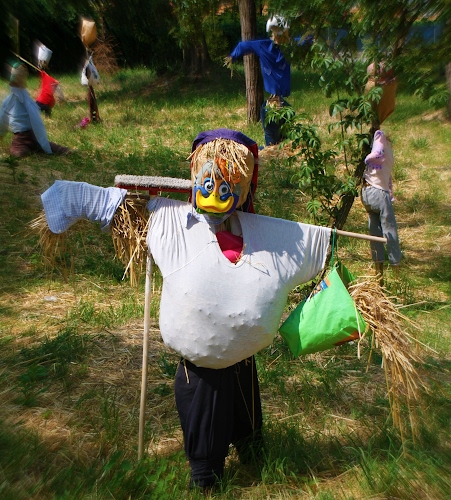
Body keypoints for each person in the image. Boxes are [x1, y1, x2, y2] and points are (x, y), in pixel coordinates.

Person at [39, 129, 332, 490]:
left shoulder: (269, 235)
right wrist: (68, 198)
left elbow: (316, 244)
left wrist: (331, 242)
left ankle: (253, 451)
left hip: (243, 356)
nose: (216, 192)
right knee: (206, 419)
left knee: (245, 410)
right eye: (208, 181)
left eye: (229, 184)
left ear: (244, 188)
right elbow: (111, 205)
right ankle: (206, 478)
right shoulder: (172, 222)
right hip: (201, 363)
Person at [225, 16, 293, 146]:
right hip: (274, 104)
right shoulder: (265, 46)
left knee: (280, 144)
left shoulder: (284, 47)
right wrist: (233, 56)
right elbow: (243, 46)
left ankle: (263, 151)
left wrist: (233, 56)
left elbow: (243, 46)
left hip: (279, 104)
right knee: (278, 144)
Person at [0, 62, 70, 157]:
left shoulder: (24, 99)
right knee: (24, 151)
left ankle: (62, 150)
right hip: (24, 137)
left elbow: (3, 119)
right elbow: (2, 119)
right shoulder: (17, 99)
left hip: (29, 137)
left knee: (23, 150)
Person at [361, 129, 402, 284]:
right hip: (379, 193)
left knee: (375, 233)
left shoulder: (381, 140)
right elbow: (376, 154)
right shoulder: (382, 138)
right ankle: (397, 275)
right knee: (390, 232)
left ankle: (379, 276)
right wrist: (369, 159)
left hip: (366, 192)